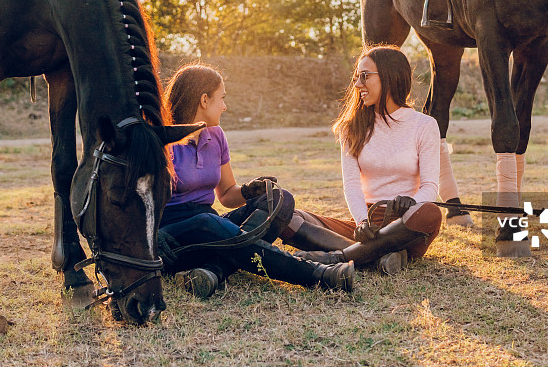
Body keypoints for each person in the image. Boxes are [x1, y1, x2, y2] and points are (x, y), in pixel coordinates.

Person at [157, 63, 354, 298]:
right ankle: (318, 274)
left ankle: (214, 271)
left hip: (211, 230)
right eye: (222, 98)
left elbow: (227, 195)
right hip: (171, 240)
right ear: (204, 100)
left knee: (279, 199)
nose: (225, 106)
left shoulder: (216, 136)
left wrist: (249, 191)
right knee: (206, 222)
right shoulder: (161, 140)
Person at [283, 45, 471, 274]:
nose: (357, 84)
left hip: (405, 223)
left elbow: (430, 186)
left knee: (430, 213)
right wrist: (362, 222)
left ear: (390, 77)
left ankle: (339, 256)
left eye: (365, 76)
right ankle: (376, 256)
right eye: (356, 77)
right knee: (286, 216)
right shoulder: (351, 127)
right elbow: (352, 185)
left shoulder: (424, 125)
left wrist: (412, 203)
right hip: (367, 224)